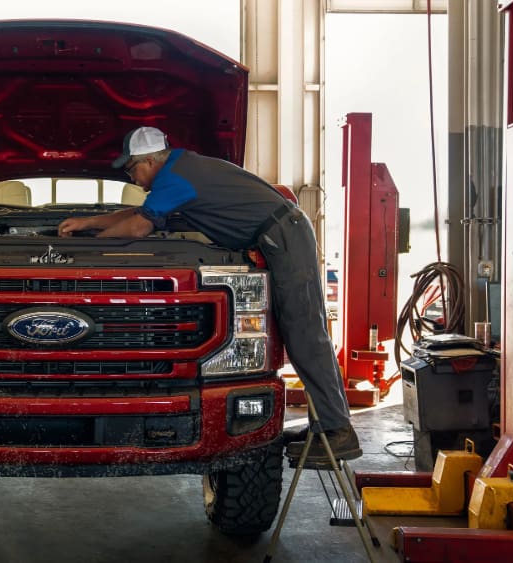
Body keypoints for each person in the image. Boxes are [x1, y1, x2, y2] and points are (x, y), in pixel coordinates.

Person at [58, 126, 360, 462]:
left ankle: (337, 431)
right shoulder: (179, 169)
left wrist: (88, 247)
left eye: (132, 169)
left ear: (150, 161)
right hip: (281, 233)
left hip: (283, 236)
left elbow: (138, 227)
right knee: (302, 331)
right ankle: (327, 425)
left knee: (304, 332)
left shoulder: (174, 178)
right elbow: (136, 214)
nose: (133, 179)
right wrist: (86, 223)